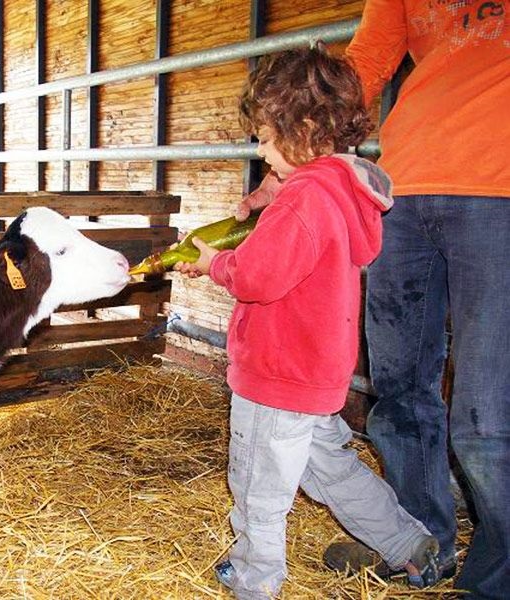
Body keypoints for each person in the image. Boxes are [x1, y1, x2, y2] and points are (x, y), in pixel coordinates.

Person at [238, 4, 510, 598]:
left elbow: (255, 278)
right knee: (401, 388)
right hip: (405, 186)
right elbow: (363, 66)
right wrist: (294, 154)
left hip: (500, 187)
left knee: (489, 415)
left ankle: (496, 579)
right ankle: (416, 541)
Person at [176, 45, 442, 599]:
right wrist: (274, 200)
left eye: (267, 137)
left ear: (302, 130)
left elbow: (258, 277)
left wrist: (213, 262)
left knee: (258, 487)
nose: (261, 149)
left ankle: (254, 580)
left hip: (278, 373)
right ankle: (409, 545)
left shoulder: (305, 198)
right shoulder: (338, 187)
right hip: (315, 377)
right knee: (330, 471)